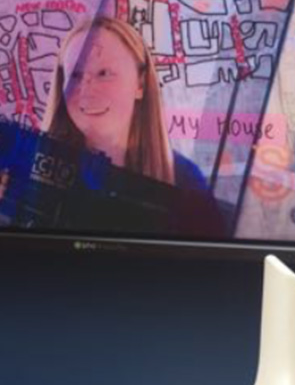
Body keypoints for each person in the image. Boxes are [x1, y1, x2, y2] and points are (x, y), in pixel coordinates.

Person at [40, 15, 225, 237]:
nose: (86, 91)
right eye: (76, 75)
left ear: (140, 84)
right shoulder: (34, 171)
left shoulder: (186, 182)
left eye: (104, 73)